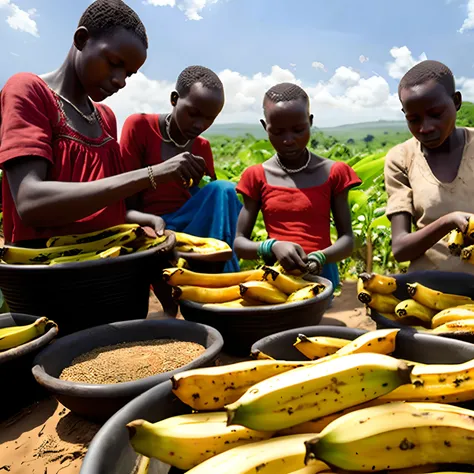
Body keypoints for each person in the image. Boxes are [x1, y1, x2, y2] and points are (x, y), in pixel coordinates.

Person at [0, 0, 206, 247]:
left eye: (128, 73)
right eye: (114, 63)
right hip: (48, 272)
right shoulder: (29, 91)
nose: (120, 81)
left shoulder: (105, 118)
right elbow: (30, 203)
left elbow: (102, 207)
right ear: (81, 39)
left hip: (107, 264)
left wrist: (141, 219)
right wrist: (152, 174)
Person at [234, 83, 361, 291]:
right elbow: (240, 244)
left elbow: (347, 239)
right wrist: (272, 246)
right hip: (274, 278)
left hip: (321, 276)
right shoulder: (256, 176)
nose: (288, 140)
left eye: (298, 130)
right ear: (265, 127)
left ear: (310, 122)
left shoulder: (334, 172)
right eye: (277, 132)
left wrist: (320, 257)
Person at [119, 66, 242, 273]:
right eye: (193, 113)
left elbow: (214, 208)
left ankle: (216, 267)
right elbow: (122, 200)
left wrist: (196, 185)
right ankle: (224, 274)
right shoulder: (140, 127)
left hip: (192, 227)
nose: (199, 124)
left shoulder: (202, 147)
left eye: (209, 118)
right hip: (150, 225)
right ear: (174, 99)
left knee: (224, 190)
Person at [385, 60, 474, 274]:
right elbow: (400, 249)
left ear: (456, 101)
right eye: (413, 119)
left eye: (436, 114)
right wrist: (448, 222)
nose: (425, 128)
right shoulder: (401, 159)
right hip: (428, 294)